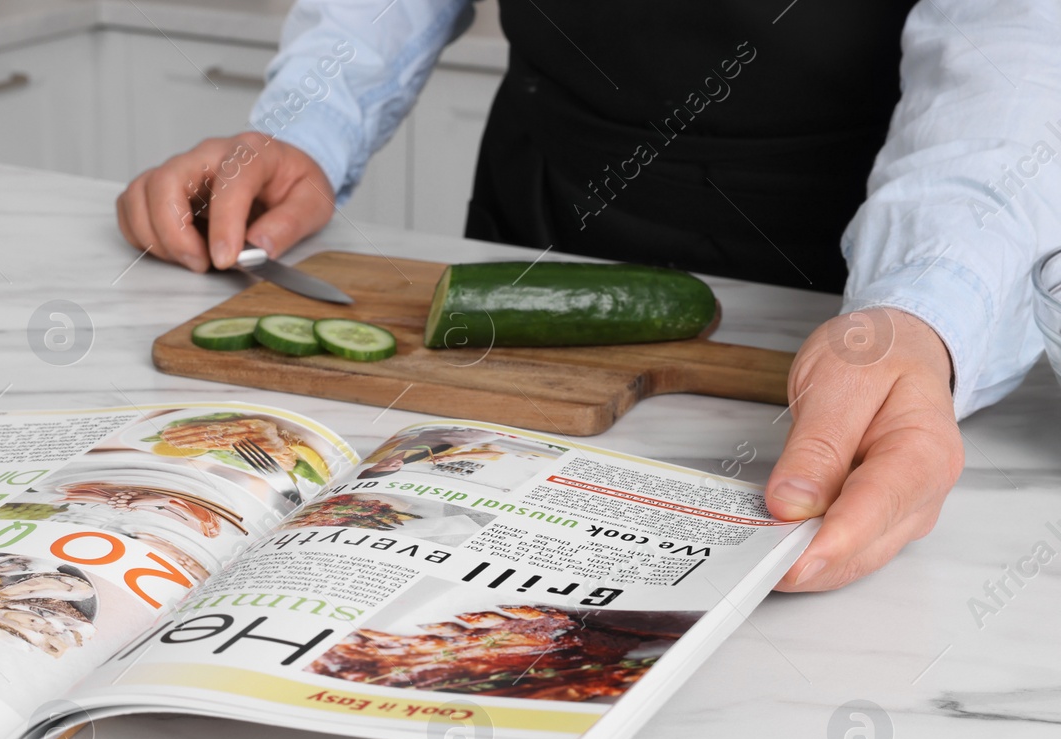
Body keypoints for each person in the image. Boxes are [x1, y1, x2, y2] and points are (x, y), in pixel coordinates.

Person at [116, 0, 1061, 592]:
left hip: (817, 271)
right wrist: (306, 126)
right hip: (538, 205)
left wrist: (924, 308)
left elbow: (1015, 54)